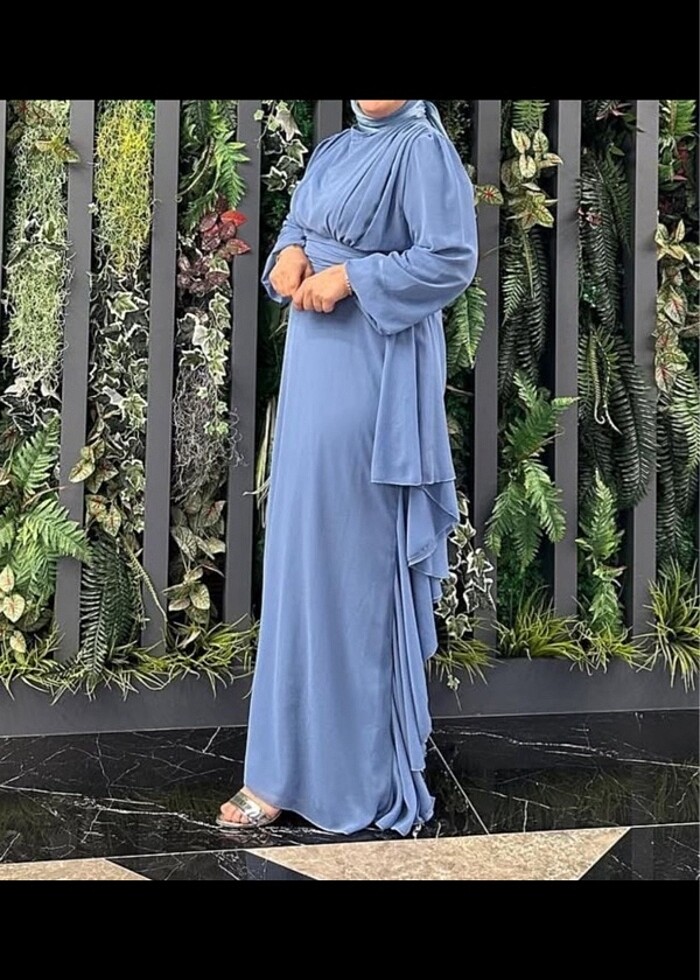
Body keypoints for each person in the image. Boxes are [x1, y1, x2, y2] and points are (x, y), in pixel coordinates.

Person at [218, 99, 478, 836]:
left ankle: (356, 773)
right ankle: (279, 769)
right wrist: (287, 257)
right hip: (312, 367)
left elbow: (451, 258)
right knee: (300, 560)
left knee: (352, 566)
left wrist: (354, 278)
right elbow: (299, 231)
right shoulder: (334, 150)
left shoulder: (421, 149)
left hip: (374, 374)